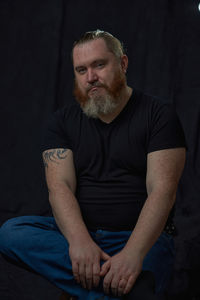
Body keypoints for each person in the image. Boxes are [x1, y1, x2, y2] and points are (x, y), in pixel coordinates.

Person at [0, 30, 186, 300]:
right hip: (79, 236)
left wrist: (133, 254)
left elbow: (163, 191)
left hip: (141, 237)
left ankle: (96, 283)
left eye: (99, 64)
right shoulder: (62, 121)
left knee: (146, 258)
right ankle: (123, 287)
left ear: (122, 64)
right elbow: (59, 187)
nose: (90, 77)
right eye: (81, 69)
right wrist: (79, 242)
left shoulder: (159, 115)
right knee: (10, 233)